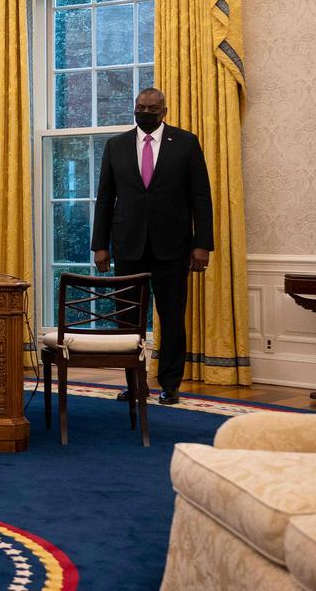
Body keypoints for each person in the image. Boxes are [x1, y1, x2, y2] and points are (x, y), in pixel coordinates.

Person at [91, 88, 213, 405]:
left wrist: (203, 245)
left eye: (151, 108)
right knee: (128, 320)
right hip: (128, 245)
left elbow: (201, 197)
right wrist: (99, 245)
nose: (145, 112)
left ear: (164, 111)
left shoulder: (185, 143)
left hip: (173, 247)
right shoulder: (116, 145)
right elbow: (105, 198)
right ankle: (135, 384)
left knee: (172, 318)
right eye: (140, 107)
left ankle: (170, 385)